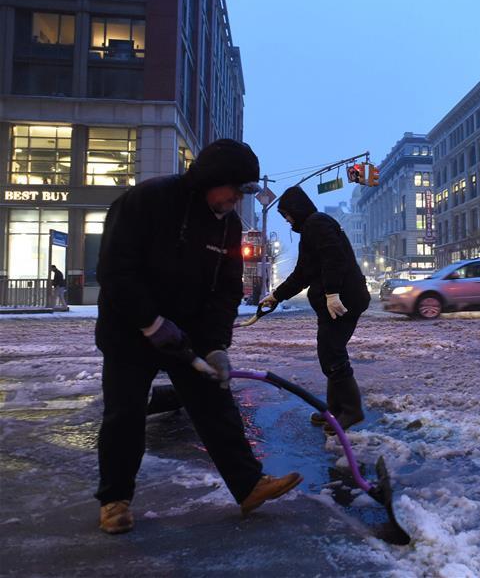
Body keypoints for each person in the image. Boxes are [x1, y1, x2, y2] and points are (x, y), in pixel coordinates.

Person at [94, 139, 301, 535]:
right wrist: (151, 323)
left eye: (244, 192)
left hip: (186, 333)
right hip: (128, 328)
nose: (237, 199)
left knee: (214, 402)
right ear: (211, 179)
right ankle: (114, 501)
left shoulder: (229, 226)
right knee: (125, 414)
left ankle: (249, 486)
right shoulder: (147, 200)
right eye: (235, 189)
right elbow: (115, 270)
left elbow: (225, 291)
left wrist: (217, 346)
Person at [261, 186, 370, 434]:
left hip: (343, 301)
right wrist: (276, 296)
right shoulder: (312, 228)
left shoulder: (317, 223)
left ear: (296, 209)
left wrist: (332, 293)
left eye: (287, 214)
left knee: (332, 353)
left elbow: (334, 257)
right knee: (329, 352)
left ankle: (351, 410)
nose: (287, 220)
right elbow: (303, 273)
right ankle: (335, 410)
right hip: (337, 301)